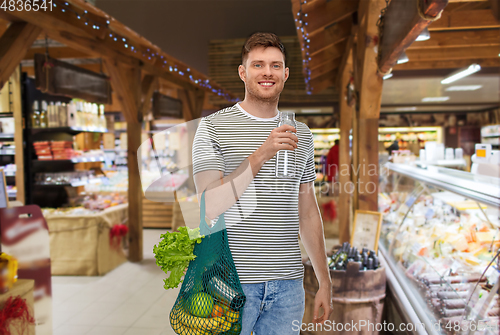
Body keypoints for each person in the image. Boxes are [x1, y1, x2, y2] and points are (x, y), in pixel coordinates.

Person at [192, 32, 332, 334]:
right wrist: (262, 153)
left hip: (289, 287)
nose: (267, 72)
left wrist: (325, 280)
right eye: (258, 65)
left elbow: (307, 212)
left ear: (285, 74)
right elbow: (208, 206)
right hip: (228, 281)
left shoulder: (302, 134)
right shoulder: (213, 127)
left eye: (275, 65)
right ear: (243, 73)